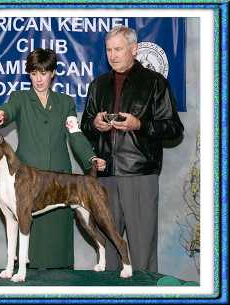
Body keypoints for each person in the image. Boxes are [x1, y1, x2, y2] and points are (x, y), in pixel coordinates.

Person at [81, 26, 184, 273]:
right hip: (104, 176)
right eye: (108, 50)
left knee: (141, 252)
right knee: (108, 249)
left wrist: (140, 124)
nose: (112, 55)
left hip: (140, 175)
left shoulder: (155, 83)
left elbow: (174, 129)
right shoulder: (98, 85)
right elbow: (84, 125)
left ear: (134, 49)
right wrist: (94, 124)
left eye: (118, 49)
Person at [0, 48, 106, 269]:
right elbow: (7, 111)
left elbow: (75, 135)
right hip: (26, 183)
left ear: (53, 73)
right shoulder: (20, 98)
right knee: (30, 255)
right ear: (29, 74)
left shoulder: (65, 102)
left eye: (43, 73)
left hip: (58, 183)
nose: (38, 79)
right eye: (34, 73)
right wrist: (1, 115)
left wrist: (91, 158)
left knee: (58, 261)